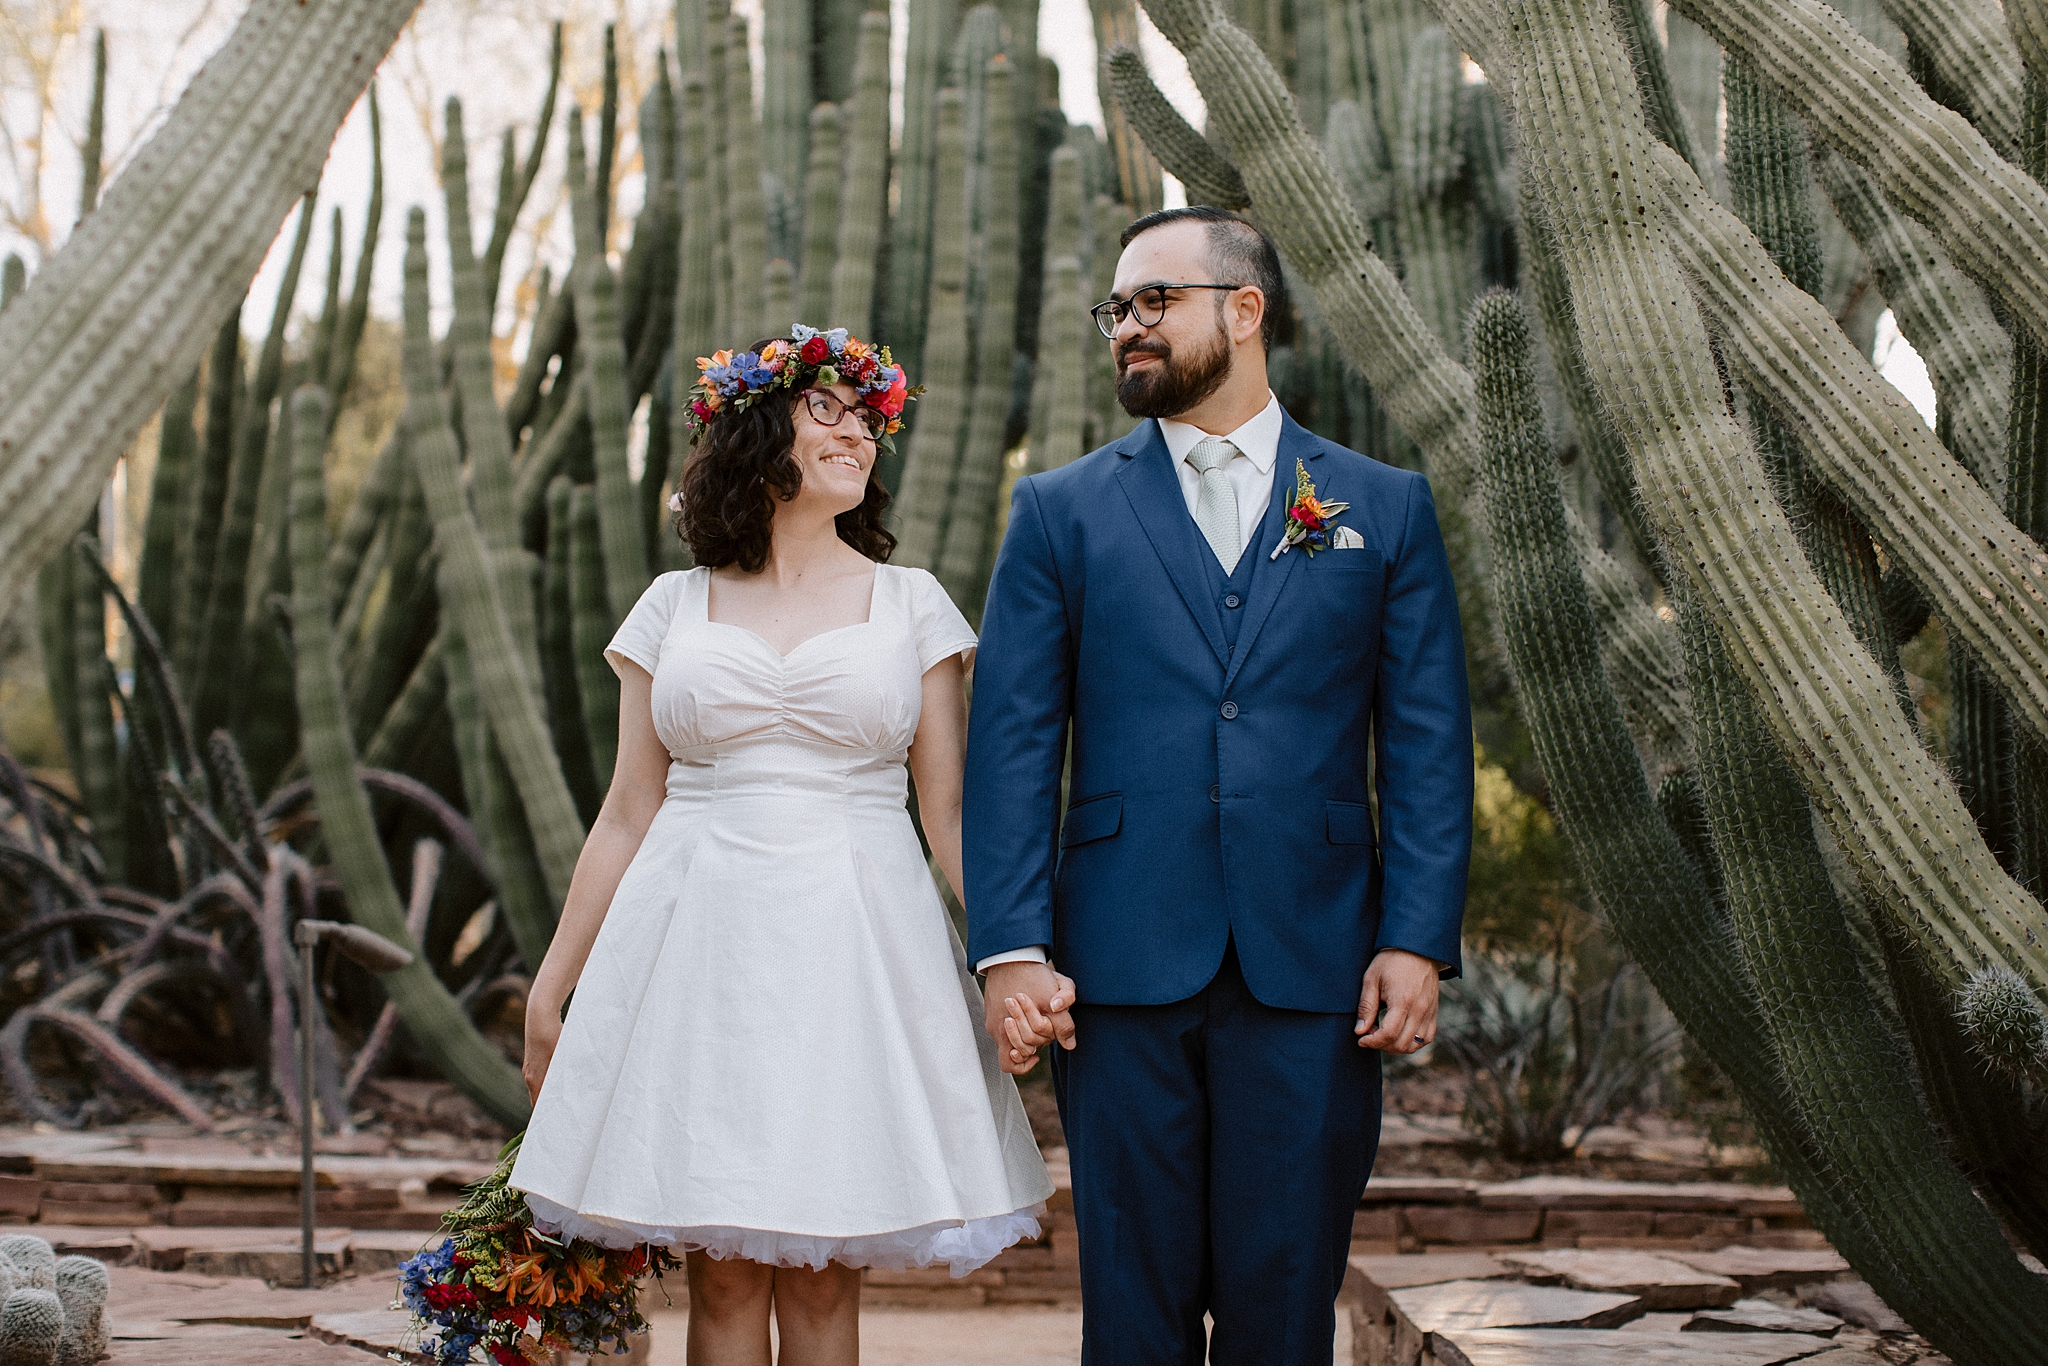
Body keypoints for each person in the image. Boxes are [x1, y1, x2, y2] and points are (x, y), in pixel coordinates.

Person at [966, 207, 1473, 1362]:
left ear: (1243, 312)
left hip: (1317, 964)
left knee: (1284, 1307)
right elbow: (1010, 743)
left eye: (1156, 301)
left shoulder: (1378, 505)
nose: (1127, 328)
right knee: (1132, 1318)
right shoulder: (1059, 511)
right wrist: (1008, 947)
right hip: (1116, 964)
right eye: (1117, 309)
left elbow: (1427, 739)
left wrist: (1414, 936)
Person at [512, 324, 1062, 1365]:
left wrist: (1011, 956)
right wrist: (552, 987)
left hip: (851, 945)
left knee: (817, 1281)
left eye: (868, 419)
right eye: (829, 412)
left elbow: (945, 815)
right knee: (721, 1283)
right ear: (760, 434)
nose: (858, 432)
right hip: (695, 943)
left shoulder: (912, 606)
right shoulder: (670, 606)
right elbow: (629, 807)